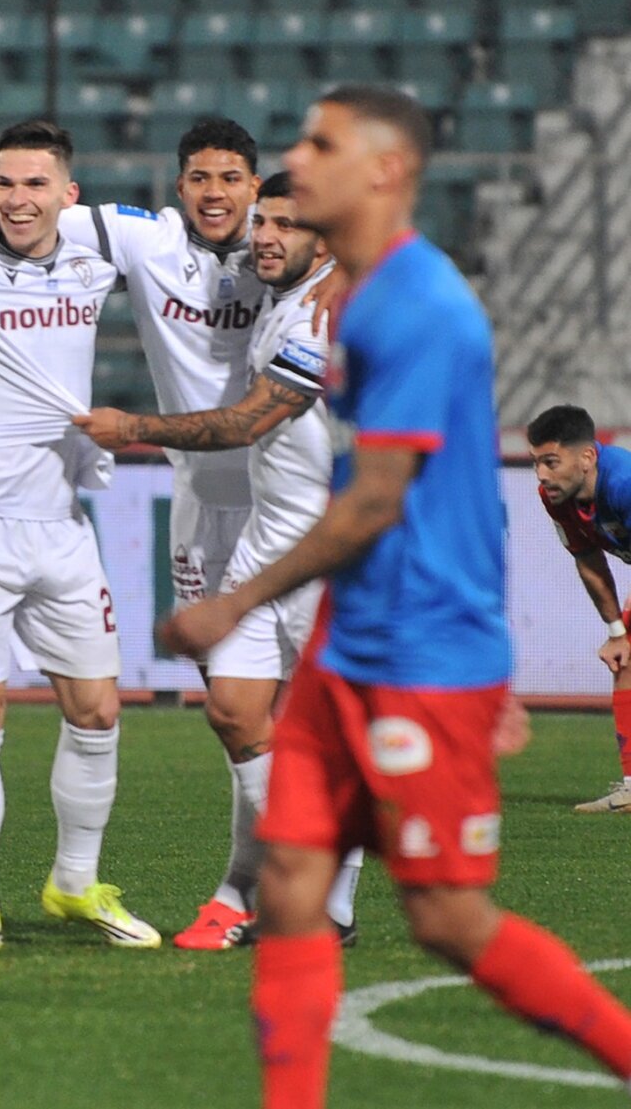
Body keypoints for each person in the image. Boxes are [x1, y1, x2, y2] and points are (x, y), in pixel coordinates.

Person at [161, 84, 631, 1108]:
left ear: (385, 170)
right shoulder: (354, 301)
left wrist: (236, 603)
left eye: (320, 142)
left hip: (425, 655)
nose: (297, 157)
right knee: (290, 884)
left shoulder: (420, 306)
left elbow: (376, 501)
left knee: (447, 921)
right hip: (351, 646)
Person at [76, 172, 364, 950]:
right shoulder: (283, 294)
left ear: (323, 240)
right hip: (266, 547)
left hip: (326, 560)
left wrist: (133, 425)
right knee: (234, 708)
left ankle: (324, 907)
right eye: (262, 221)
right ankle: (267, 883)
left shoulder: (325, 317)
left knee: (325, 734)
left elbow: (245, 424)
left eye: (285, 225)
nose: (264, 235)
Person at [0, 120, 157, 953]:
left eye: (34, 184)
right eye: (3, 185)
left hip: (62, 523)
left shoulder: (95, 262)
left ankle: (74, 881)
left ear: (68, 194)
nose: (16, 200)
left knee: (97, 706)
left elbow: (191, 250)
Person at [0, 119, 269, 623]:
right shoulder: (147, 239)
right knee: (209, 656)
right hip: (195, 490)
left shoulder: (286, 242)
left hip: (275, 490)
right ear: (180, 186)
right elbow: (21, 210)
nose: (214, 193)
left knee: (284, 655)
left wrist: (335, 273)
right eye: (200, 178)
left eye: (230, 179)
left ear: (254, 187)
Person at [527, 403, 631, 813]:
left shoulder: (624, 484)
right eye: (536, 462)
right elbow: (587, 558)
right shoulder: (556, 498)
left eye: (551, 463)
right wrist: (616, 632)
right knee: (626, 660)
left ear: (587, 457)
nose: (541, 474)